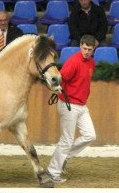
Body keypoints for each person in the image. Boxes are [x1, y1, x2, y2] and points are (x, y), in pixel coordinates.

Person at [46, 34, 97, 183]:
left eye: (90, 49)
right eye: (85, 48)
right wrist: (57, 89)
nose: (87, 52)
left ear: (94, 49)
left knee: (90, 135)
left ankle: (64, 158)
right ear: (80, 45)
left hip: (81, 105)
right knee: (67, 140)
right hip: (69, 104)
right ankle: (52, 171)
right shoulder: (73, 61)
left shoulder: (91, 63)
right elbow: (59, 78)